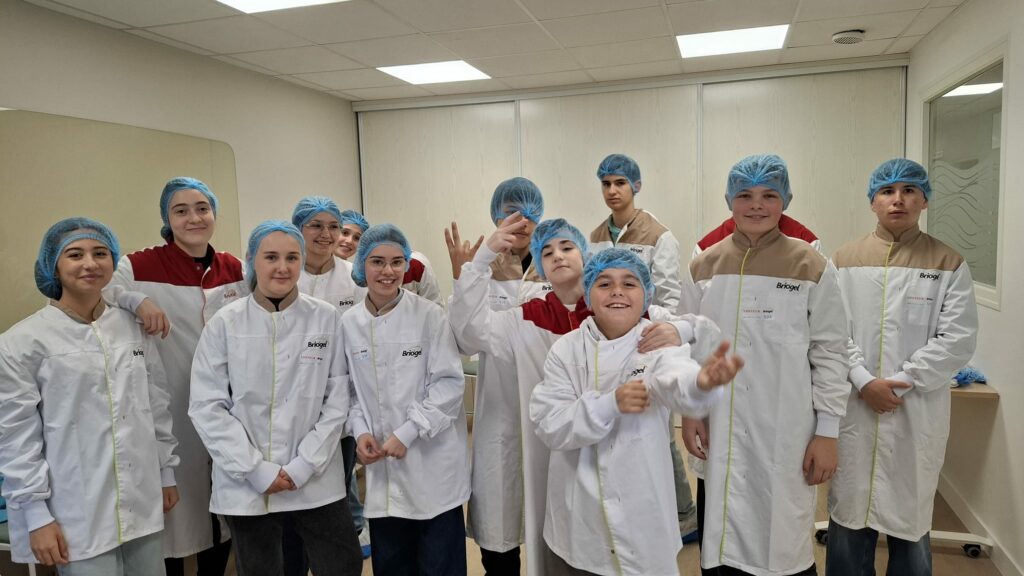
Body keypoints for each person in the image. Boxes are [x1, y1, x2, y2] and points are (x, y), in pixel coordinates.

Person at [449, 216, 714, 575]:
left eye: (567, 247)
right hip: (554, 447)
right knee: (564, 538)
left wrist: (680, 332)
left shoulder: (624, 308)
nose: (557, 255)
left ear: (585, 254)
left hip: (631, 457)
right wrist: (481, 260)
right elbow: (469, 331)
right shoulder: (525, 319)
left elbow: (688, 333)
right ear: (539, 266)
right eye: (547, 252)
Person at [681, 154, 849, 575]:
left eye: (769, 195)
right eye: (745, 195)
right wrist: (690, 411)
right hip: (718, 421)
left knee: (782, 543)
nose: (756, 205)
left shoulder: (811, 266)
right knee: (721, 537)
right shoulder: (703, 265)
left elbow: (831, 351)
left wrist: (828, 432)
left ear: (785, 200)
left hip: (785, 428)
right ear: (729, 201)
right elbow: (689, 347)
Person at [529, 248, 742, 575]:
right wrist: (609, 404)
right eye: (604, 284)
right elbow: (550, 424)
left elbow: (677, 382)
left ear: (646, 297)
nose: (617, 291)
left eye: (629, 284)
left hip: (642, 515)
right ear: (588, 295)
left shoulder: (657, 344)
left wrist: (701, 383)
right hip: (578, 519)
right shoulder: (566, 349)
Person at [0, 217, 179, 574]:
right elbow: (17, 437)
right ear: (53, 265)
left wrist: (165, 474)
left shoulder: (133, 327)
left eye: (100, 253)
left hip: (142, 496)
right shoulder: (22, 343)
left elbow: (155, 405)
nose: (90, 263)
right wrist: (35, 515)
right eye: (75, 254)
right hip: (75, 510)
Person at [825, 159, 978, 576]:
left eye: (909, 190)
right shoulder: (843, 260)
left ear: (924, 200)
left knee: (911, 529)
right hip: (855, 406)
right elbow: (830, 330)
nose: (898, 199)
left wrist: (903, 380)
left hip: (915, 411)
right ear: (872, 201)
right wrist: (863, 380)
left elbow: (958, 337)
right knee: (849, 522)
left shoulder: (948, 262)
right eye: (887, 191)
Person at [189, 221, 361, 576]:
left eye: (292, 257)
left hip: (315, 476)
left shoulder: (325, 317)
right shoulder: (225, 323)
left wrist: (304, 464)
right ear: (251, 260)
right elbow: (207, 406)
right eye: (271, 257)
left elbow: (338, 398)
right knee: (262, 568)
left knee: (342, 563)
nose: (282, 267)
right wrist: (255, 469)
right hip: (247, 481)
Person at [104, 177, 246, 575]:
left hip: (226, 403)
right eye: (180, 211)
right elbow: (103, 288)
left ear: (214, 213)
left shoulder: (233, 267)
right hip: (169, 402)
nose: (193, 218)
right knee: (175, 510)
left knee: (220, 504)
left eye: (202, 208)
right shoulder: (139, 265)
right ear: (167, 219)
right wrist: (138, 299)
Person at [344, 224, 470, 576]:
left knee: (439, 565)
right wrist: (360, 431)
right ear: (362, 265)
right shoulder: (349, 323)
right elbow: (349, 390)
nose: (388, 271)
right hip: (383, 470)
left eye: (397, 262)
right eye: (377, 262)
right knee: (393, 564)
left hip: (432, 468)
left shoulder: (429, 315)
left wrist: (408, 432)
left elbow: (449, 385)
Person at [587, 153, 695, 540]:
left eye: (620, 183)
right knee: (617, 430)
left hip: (646, 344)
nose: (612, 191)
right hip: (607, 344)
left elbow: (668, 298)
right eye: (606, 184)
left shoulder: (658, 235)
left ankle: (683, 515)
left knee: (657, 431)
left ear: (636, 186)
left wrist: (655, 341)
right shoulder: (596, 237)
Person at [442, 176, 547, 575]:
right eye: (511, 213)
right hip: (499, 408)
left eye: (529, 214)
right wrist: (470, 270)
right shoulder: (481, 266)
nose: (521, 221)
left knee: (552, 524)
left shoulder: (555, 259)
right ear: (496, 217)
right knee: (499, 526)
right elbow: (465, 338)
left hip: (548, 405)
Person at [289, 196, 369, 564]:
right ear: (299, 229)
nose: (327, 234)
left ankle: (336, 549)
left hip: (342, 402)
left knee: (336, 485)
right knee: (295, 486)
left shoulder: (354, 278)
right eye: (316, 226)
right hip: (291, 400)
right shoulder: (287, 270)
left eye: (333, 226)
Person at [333, 209, 443, 306]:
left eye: (357, 238)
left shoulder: (417, 264)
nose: (349, 241)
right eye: (345, 233)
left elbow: (435, 307)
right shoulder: (361, 273)